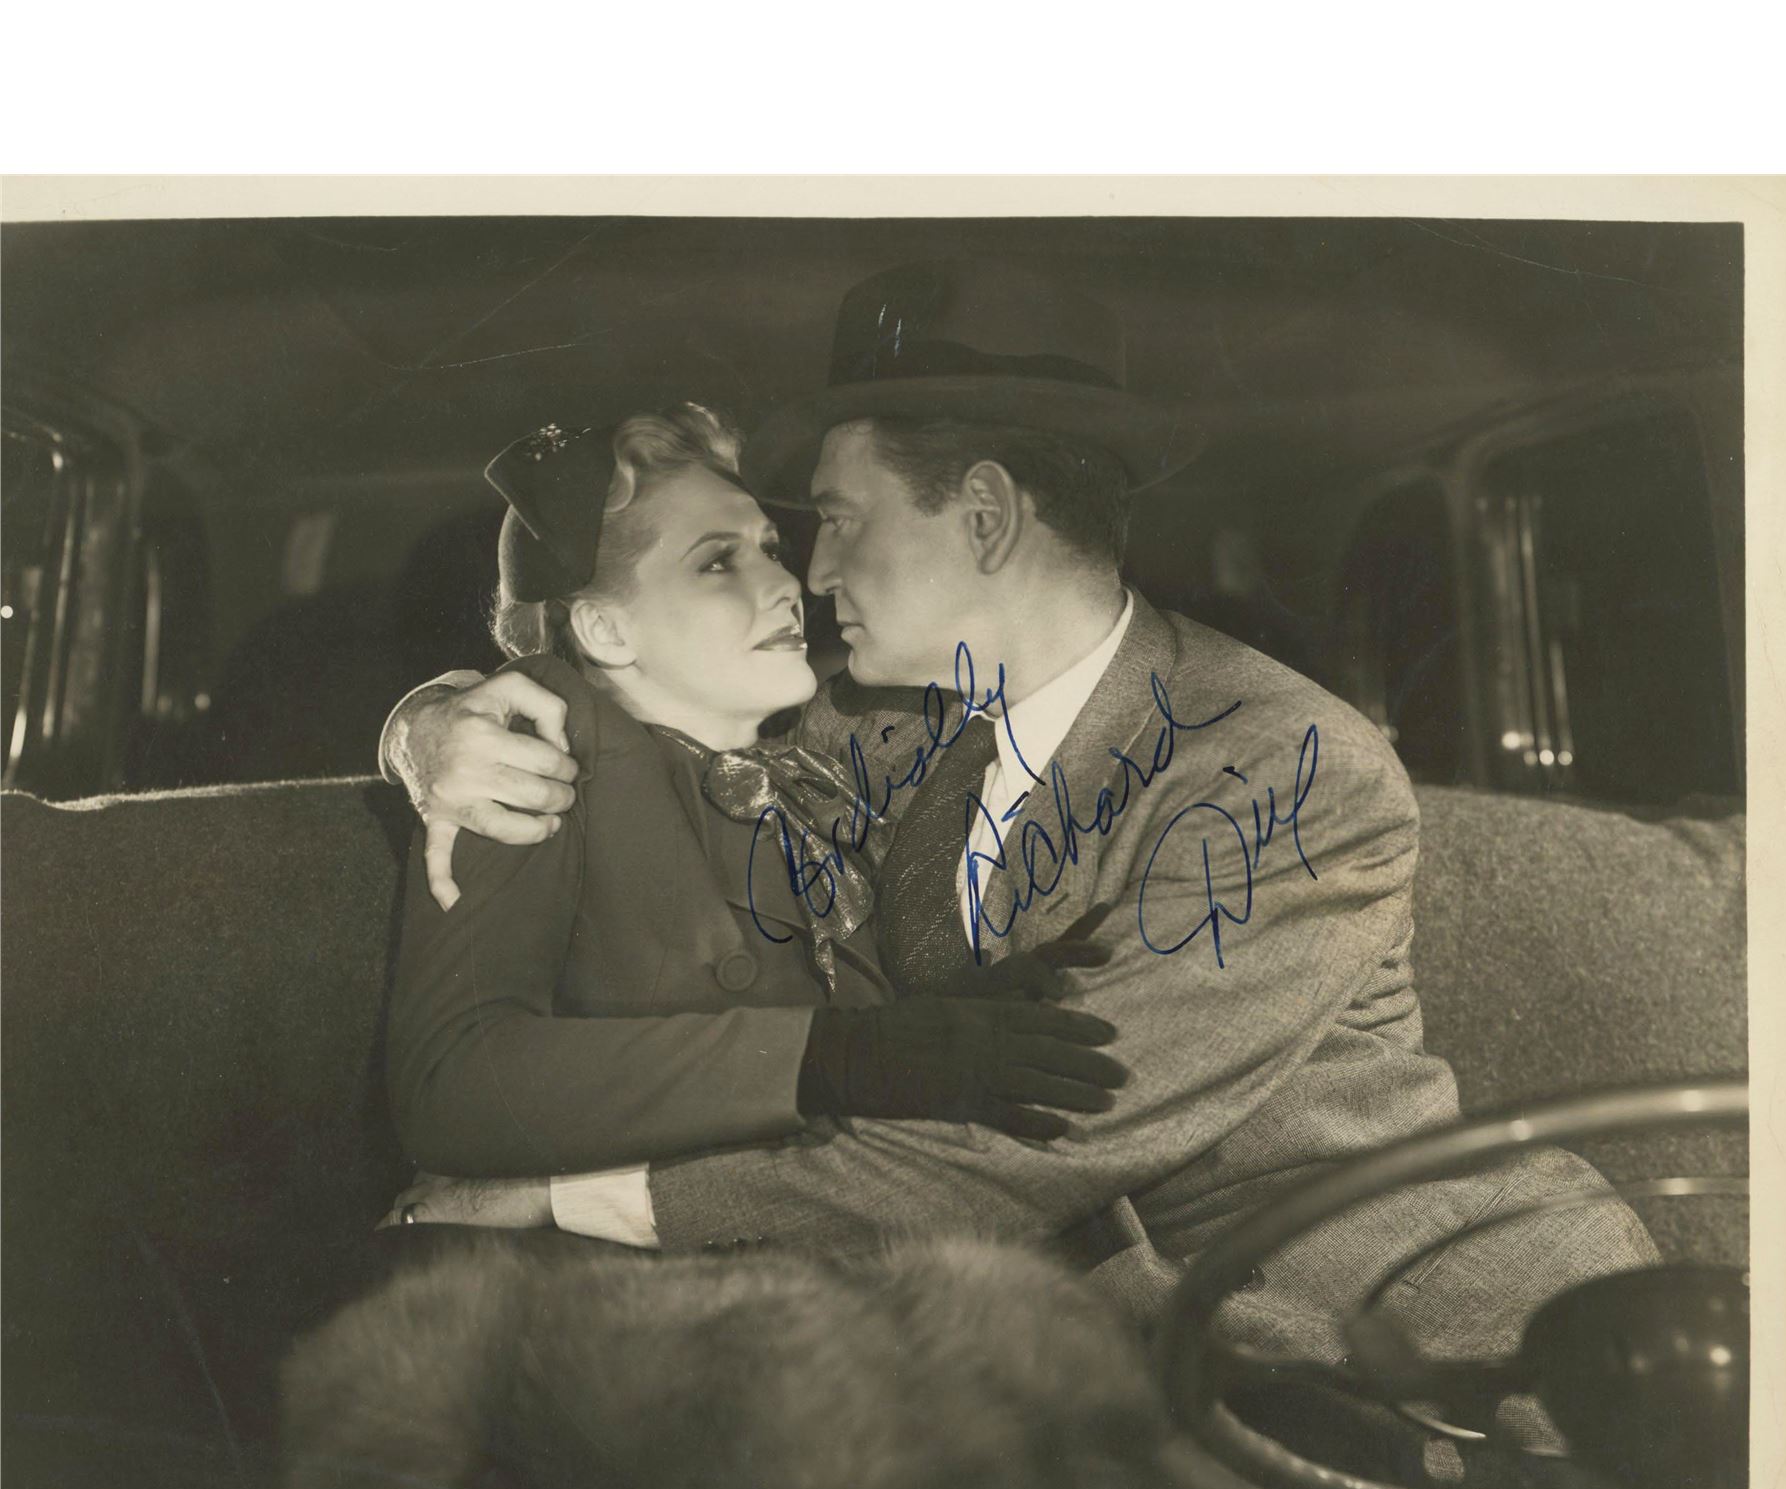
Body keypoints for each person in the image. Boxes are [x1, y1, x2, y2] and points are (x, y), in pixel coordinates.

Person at [382, 260, 1657, 1380]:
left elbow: (1051, 1140)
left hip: (1418, 1330)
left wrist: (575, 1201)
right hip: (1093, 1337)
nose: (811, 574)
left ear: (985, 518)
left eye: (838, 521)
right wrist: (430, 725)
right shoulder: (873, 719)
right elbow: (636, 686)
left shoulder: (1284, 762)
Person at [382, 401, 1130, 1244]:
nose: (786, 586)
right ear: (604, 629)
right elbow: (453, 1084)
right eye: (716, 563)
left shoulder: (813, 774)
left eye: (771, 549)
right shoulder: (535, 757)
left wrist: (953, 1017)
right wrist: (829, 1058)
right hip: (645, 1285)